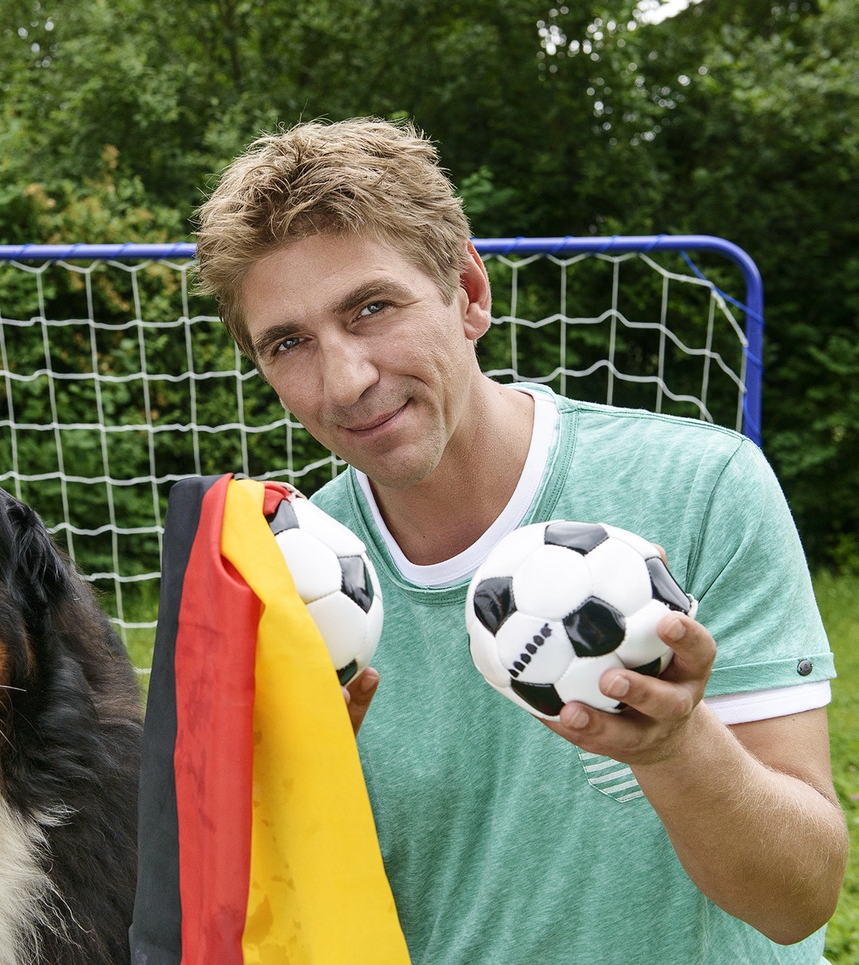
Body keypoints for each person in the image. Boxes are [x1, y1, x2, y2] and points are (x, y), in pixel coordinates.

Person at [192, 117, 847, 963]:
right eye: (290, 343)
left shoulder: (699, 489)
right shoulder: (283, 582)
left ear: (468, 292)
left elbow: (798, 900)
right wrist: (294, 801)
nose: (345, 379)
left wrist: (677, 747)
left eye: (372, 308)